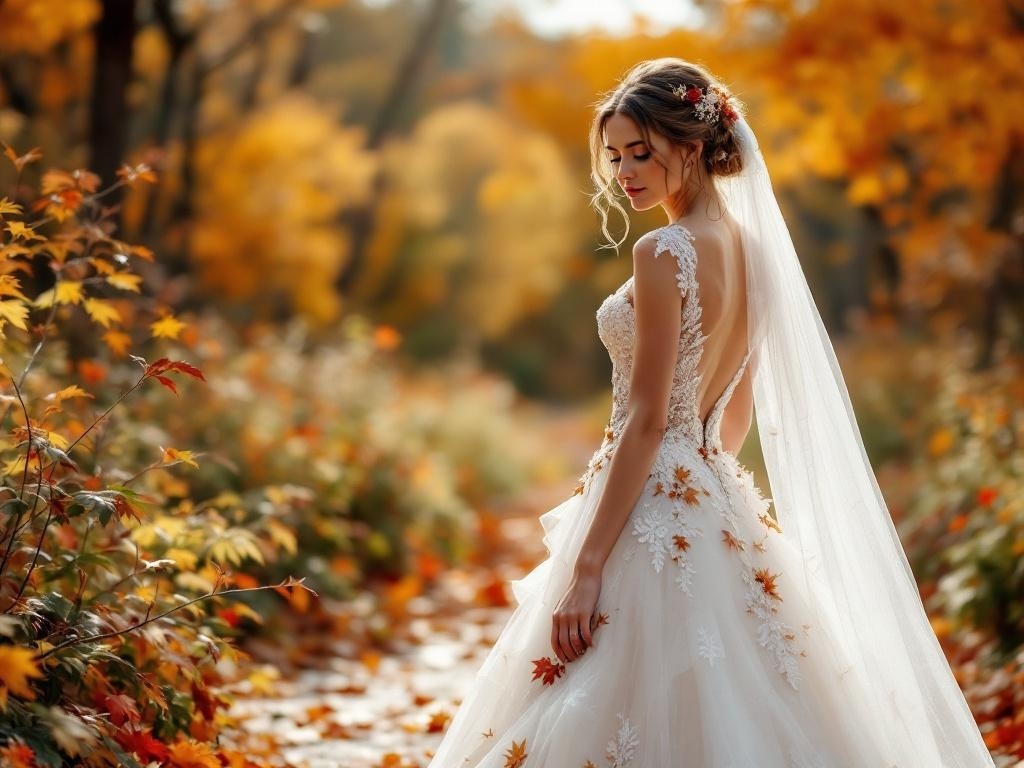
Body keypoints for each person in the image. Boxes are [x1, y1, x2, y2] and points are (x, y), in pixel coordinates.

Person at [425, 58, 995, 768]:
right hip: (714, 493)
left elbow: (649, 418)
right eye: (615, 156)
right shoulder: (757, 254)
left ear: (689, 148)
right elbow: (734, 417)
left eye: (642, 153)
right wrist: (710, 496)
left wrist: (591, 564)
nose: (625, 172)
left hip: (651, 498)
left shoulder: (663, 251)